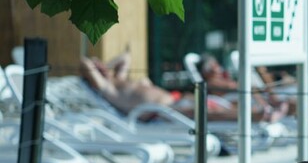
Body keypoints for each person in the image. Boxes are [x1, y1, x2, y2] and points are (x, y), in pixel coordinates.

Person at [80, 55, 286, 123]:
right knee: (211, 112)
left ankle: (261, 112)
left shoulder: (120, 78)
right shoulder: (107, 87)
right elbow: (84, 63)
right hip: (158, 113)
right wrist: (100, 69)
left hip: (173, 101)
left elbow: (126, 55)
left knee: (218, 104)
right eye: (98, 68)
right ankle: (260, 116)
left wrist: (108, 65)